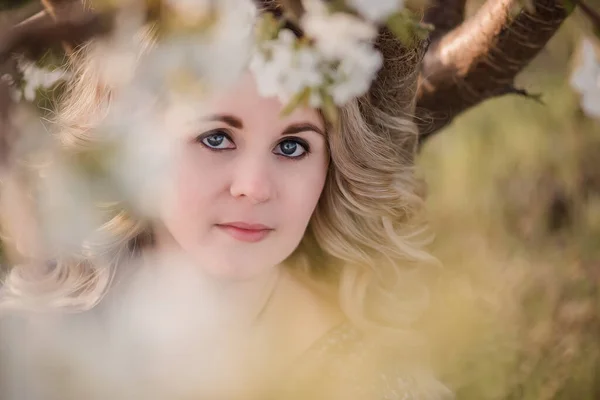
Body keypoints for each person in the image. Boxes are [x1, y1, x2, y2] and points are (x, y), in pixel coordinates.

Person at [0, 1, 454, 399]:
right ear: (135, 138)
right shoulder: (32, 347)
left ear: (333, 168)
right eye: (216, 137)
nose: (254, 187)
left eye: (293, 146)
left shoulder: (379, 385)